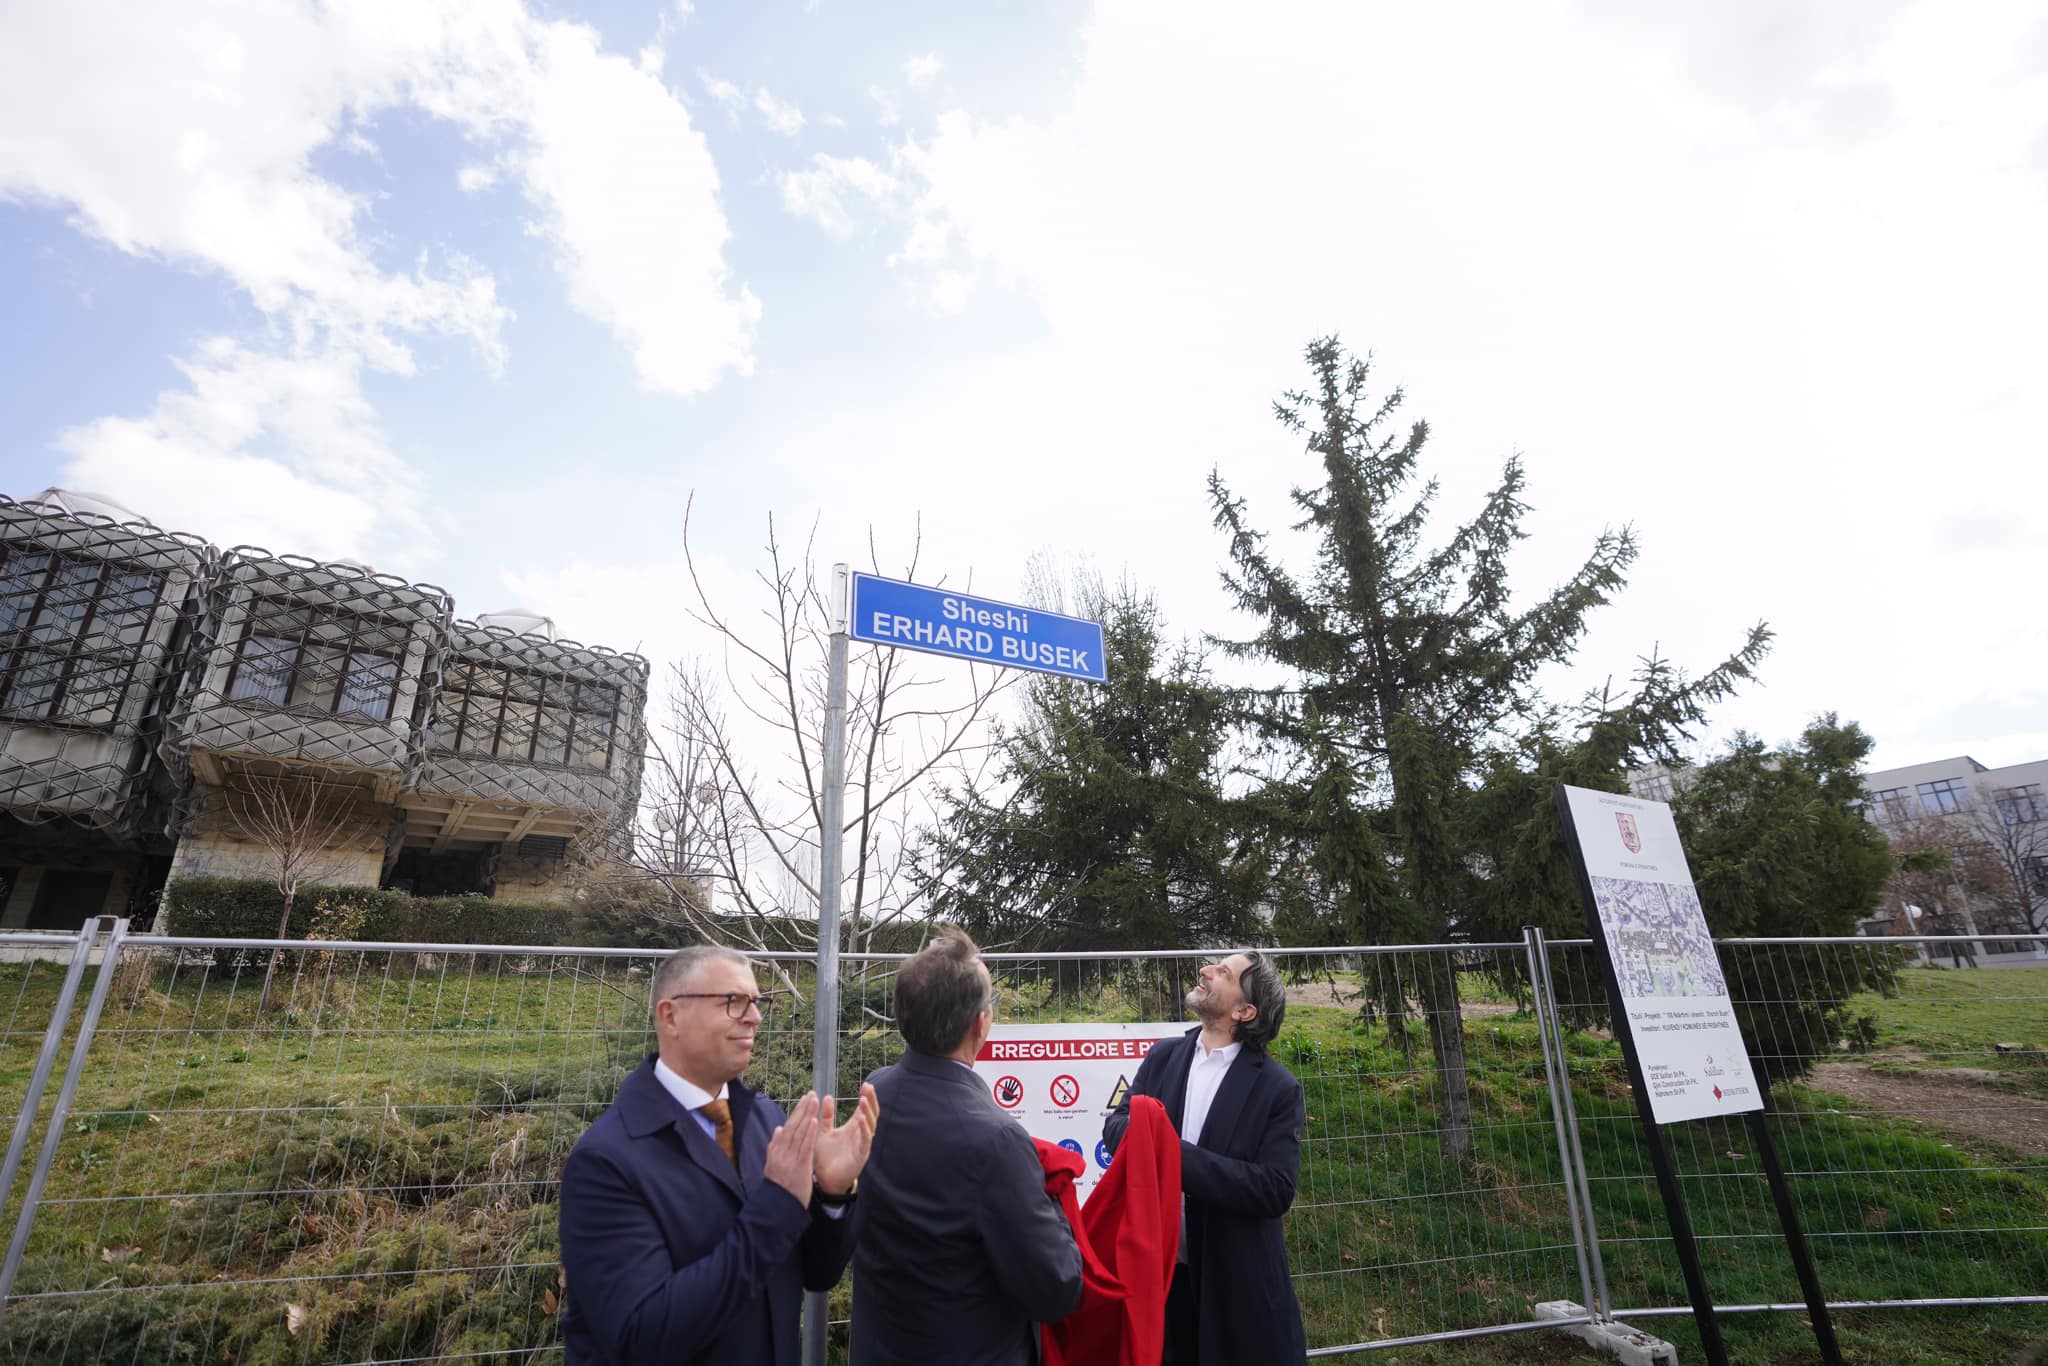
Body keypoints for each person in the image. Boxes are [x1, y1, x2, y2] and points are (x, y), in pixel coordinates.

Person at [559, 944, 879, 1366]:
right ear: (670, 1016)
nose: (754, 1016)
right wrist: (778, 1204)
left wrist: (832, 1195)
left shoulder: (765, 1119)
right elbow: (641, 1338)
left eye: (757, 1002)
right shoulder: (604, 1162)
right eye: (733, 1001)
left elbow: (817, 1273)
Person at [851, 927, 1084, 1365]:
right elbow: (1055, 1287)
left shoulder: (877, 1091)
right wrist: (1051, 1196)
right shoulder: (998, 1141)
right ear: (980, 1023)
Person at [1103, 950, 1308, 1365]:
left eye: (1224, 972)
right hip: (1161, 1278)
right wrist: (1155, 1144)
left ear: (1244, 1011)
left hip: (1232, 1286)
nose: (1205, 970)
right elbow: (1116, 1127)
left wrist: (1168, 1155)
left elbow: (1274, 1189)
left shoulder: (1277, 1089)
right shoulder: (1164, 1057)